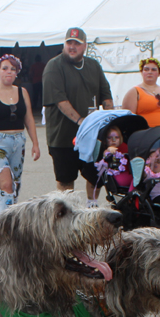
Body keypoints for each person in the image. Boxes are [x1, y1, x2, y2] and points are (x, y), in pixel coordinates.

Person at [42, 27, 113, 207]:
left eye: (77, 44)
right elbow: (60, 100)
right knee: (66, 181)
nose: (72, 47)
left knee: (96, 176)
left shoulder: (93, 65)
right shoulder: (54, 66)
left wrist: (110, 120)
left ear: (85, 46)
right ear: (64, 44)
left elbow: (106, 94)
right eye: (69, 43)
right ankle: (68, 214)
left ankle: (92, 208)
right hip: (63, 136)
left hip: (91, 136)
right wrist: (82, 122)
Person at [0, 54, 40, 213]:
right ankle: (4, 221)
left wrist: (35, 143)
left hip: (18, 141)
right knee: (5, 183)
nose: (9, 72)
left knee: (15, 184)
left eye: (13, 69)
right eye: (5, 68)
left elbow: (29, 118)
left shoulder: (22, 92)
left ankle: (10, 216)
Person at [122, 57, 160, 132]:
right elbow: (128, 119)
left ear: (159, 73)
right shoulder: (134, 92)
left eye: (153, 70)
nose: (150, 72)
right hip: (145, 133)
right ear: (142, 72)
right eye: (146, 69)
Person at [94, 125, 132, 190]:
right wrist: (109, 151)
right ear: (105, 140)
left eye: (116, 137)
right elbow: (105, 155)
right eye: (109, 137)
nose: (113, 140)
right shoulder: (107, 150)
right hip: (116, 177)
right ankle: (132, 195)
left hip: (127, 173)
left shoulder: (125, 147)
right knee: (137, 180)